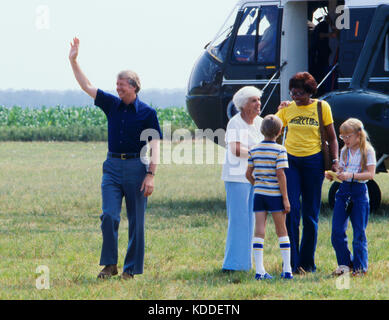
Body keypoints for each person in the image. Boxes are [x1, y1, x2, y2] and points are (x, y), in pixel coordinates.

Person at [68, 37, 162, 280]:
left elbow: (155, 146)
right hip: (111, 166)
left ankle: (130, 269)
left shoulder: (147, 113)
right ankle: (109, 265)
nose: (117, 89)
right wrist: (74, 60)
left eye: (122, 85)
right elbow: (86, 85)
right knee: (109, 215)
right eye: (116, 85)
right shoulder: (111, 104)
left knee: (136, 222)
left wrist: (151, 175)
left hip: (136, 168)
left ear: (134, 86)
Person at [275, 72, 338, 274]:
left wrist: (335, 161)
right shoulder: (287, 109)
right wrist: (279, 110)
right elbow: (271, 129)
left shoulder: (322, 107)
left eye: (300, 93)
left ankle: (307, 263)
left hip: (314, 162)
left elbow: (333, 138)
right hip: (290, 162)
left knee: (310, 215)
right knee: (290, 211)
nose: (296, 97)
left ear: (310, 91)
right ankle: (292, 263)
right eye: (293, 93)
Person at [325, 118, 376, 277]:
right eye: (342, 137)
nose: (345, 140)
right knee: (337, 232)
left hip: (360, 191)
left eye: (348, 136)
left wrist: (351, 175)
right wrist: (336, 174)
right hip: (343, 191)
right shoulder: (344, 151)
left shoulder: (368, 151)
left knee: (359, 232)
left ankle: (361, 268)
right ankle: (345, 265)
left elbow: (370, 174)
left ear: (358, 135)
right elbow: (343, 172)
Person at [221, 86, 264, 272]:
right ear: (243, 105)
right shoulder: (235, 123)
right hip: (236, 178)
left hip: (255, 177)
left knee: (252, 221)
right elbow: (236, 149)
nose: (258, 104)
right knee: (238, 220)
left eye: (258, 100)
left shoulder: (261, 122)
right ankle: (232, 264)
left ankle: (246, 264)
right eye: (253, 101)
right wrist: (259, 154)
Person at [246, 115, 293, 280]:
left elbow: (248, 174)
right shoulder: (280, 150)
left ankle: (260, 270)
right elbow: (281, 175)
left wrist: (257, 184)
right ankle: (287, 269)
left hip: (259, 194)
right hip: (275, 195)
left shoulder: (254, 149)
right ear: (280, 132)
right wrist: (285, 198)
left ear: (261, 130)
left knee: (259, 230)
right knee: (282, 230)